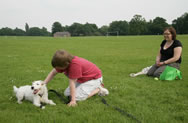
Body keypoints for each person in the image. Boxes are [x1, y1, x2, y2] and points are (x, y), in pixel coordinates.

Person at [44, 49, 109, 107]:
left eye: (58, 67)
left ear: (66, 64)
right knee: (67, 94)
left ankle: (98, 89)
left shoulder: (75, 65)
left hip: (94, 79)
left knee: (76, 97)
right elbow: (53, 73)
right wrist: (43, 84)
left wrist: (73, 101)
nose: (57, 69)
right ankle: (92, 89)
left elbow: (72, 83)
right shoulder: (64, 62)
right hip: (83, 80)